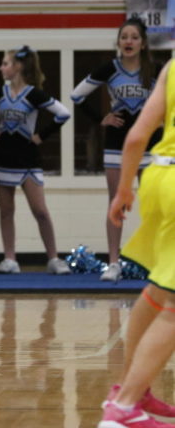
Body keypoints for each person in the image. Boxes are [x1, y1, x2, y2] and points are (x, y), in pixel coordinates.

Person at [101, 60, 175, 427]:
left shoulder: (172, 67)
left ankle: (131, 389)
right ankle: (125, 408)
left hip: (158, 177)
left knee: (160, 287)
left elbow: (135, 137)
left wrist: (123, 190)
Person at [71, 19, 160, 281]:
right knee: (116, 203)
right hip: (116, 144)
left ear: (143, 43)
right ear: (119, 42)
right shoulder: (109, 68)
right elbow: (76, 95)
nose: (129, 42)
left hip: (147, 144)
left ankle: (153, 261)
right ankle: (113, 262)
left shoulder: (153, 70)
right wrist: (101, 117)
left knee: (152, 206)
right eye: (124, 37)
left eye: (134, 37)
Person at [0, 46, 71, 275]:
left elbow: (63, 113)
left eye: (5, 63)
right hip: (4, 158)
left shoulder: (34, 94)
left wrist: (41, 135)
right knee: (5, 211)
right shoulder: (0, 93)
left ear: (18, 66)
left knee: (40, 210)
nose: (1, 67)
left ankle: (53, 258)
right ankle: (10, 259)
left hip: (29, 158)